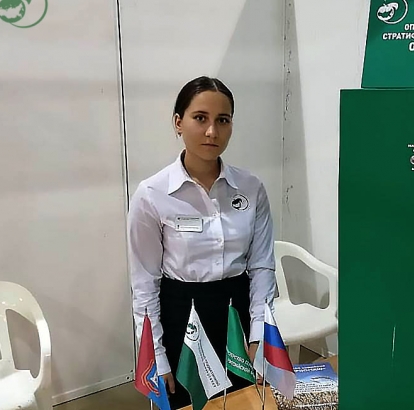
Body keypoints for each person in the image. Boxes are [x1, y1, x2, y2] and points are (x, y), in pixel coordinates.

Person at [127, 76, 277, 408]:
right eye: (200, 118)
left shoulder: (251, 188)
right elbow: (144, 283)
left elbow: (262, 267)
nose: (212, 131)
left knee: (242, 401)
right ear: (178, 123)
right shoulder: (152, 194)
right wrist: (157, 356)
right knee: (187, 402)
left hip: (236, 316)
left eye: (222, 120)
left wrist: (260, 334)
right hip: (181, 319)